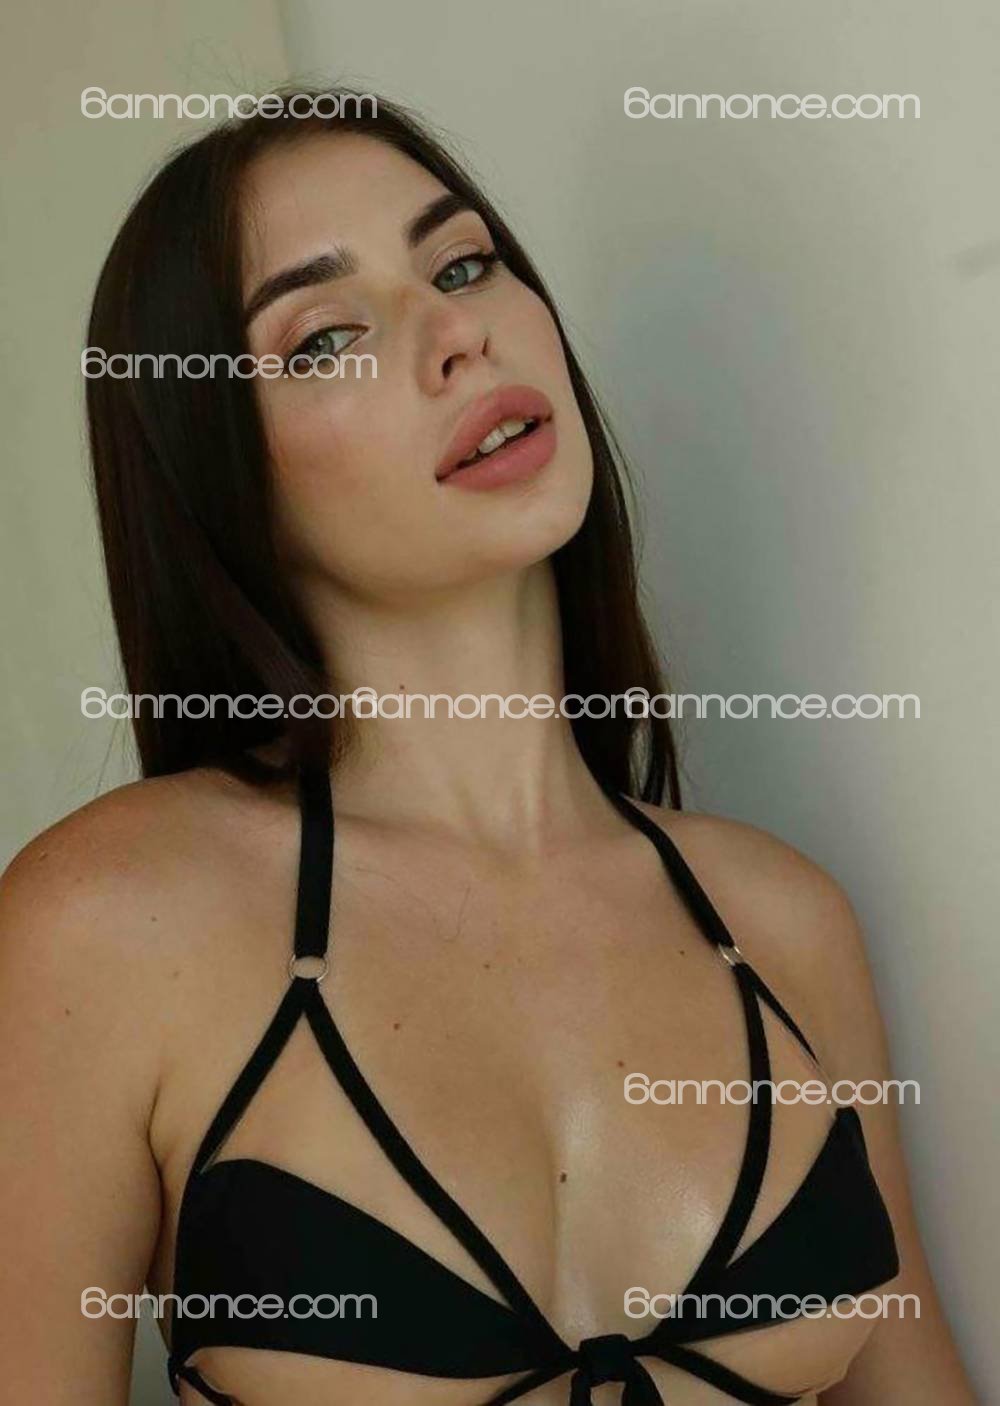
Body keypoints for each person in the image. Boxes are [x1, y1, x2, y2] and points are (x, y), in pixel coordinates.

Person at [0, 91, 976, 1406]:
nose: (458, 331)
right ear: (214, 471)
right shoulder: (107, 925)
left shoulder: (784, 923)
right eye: (325, 335)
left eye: (462, 265)